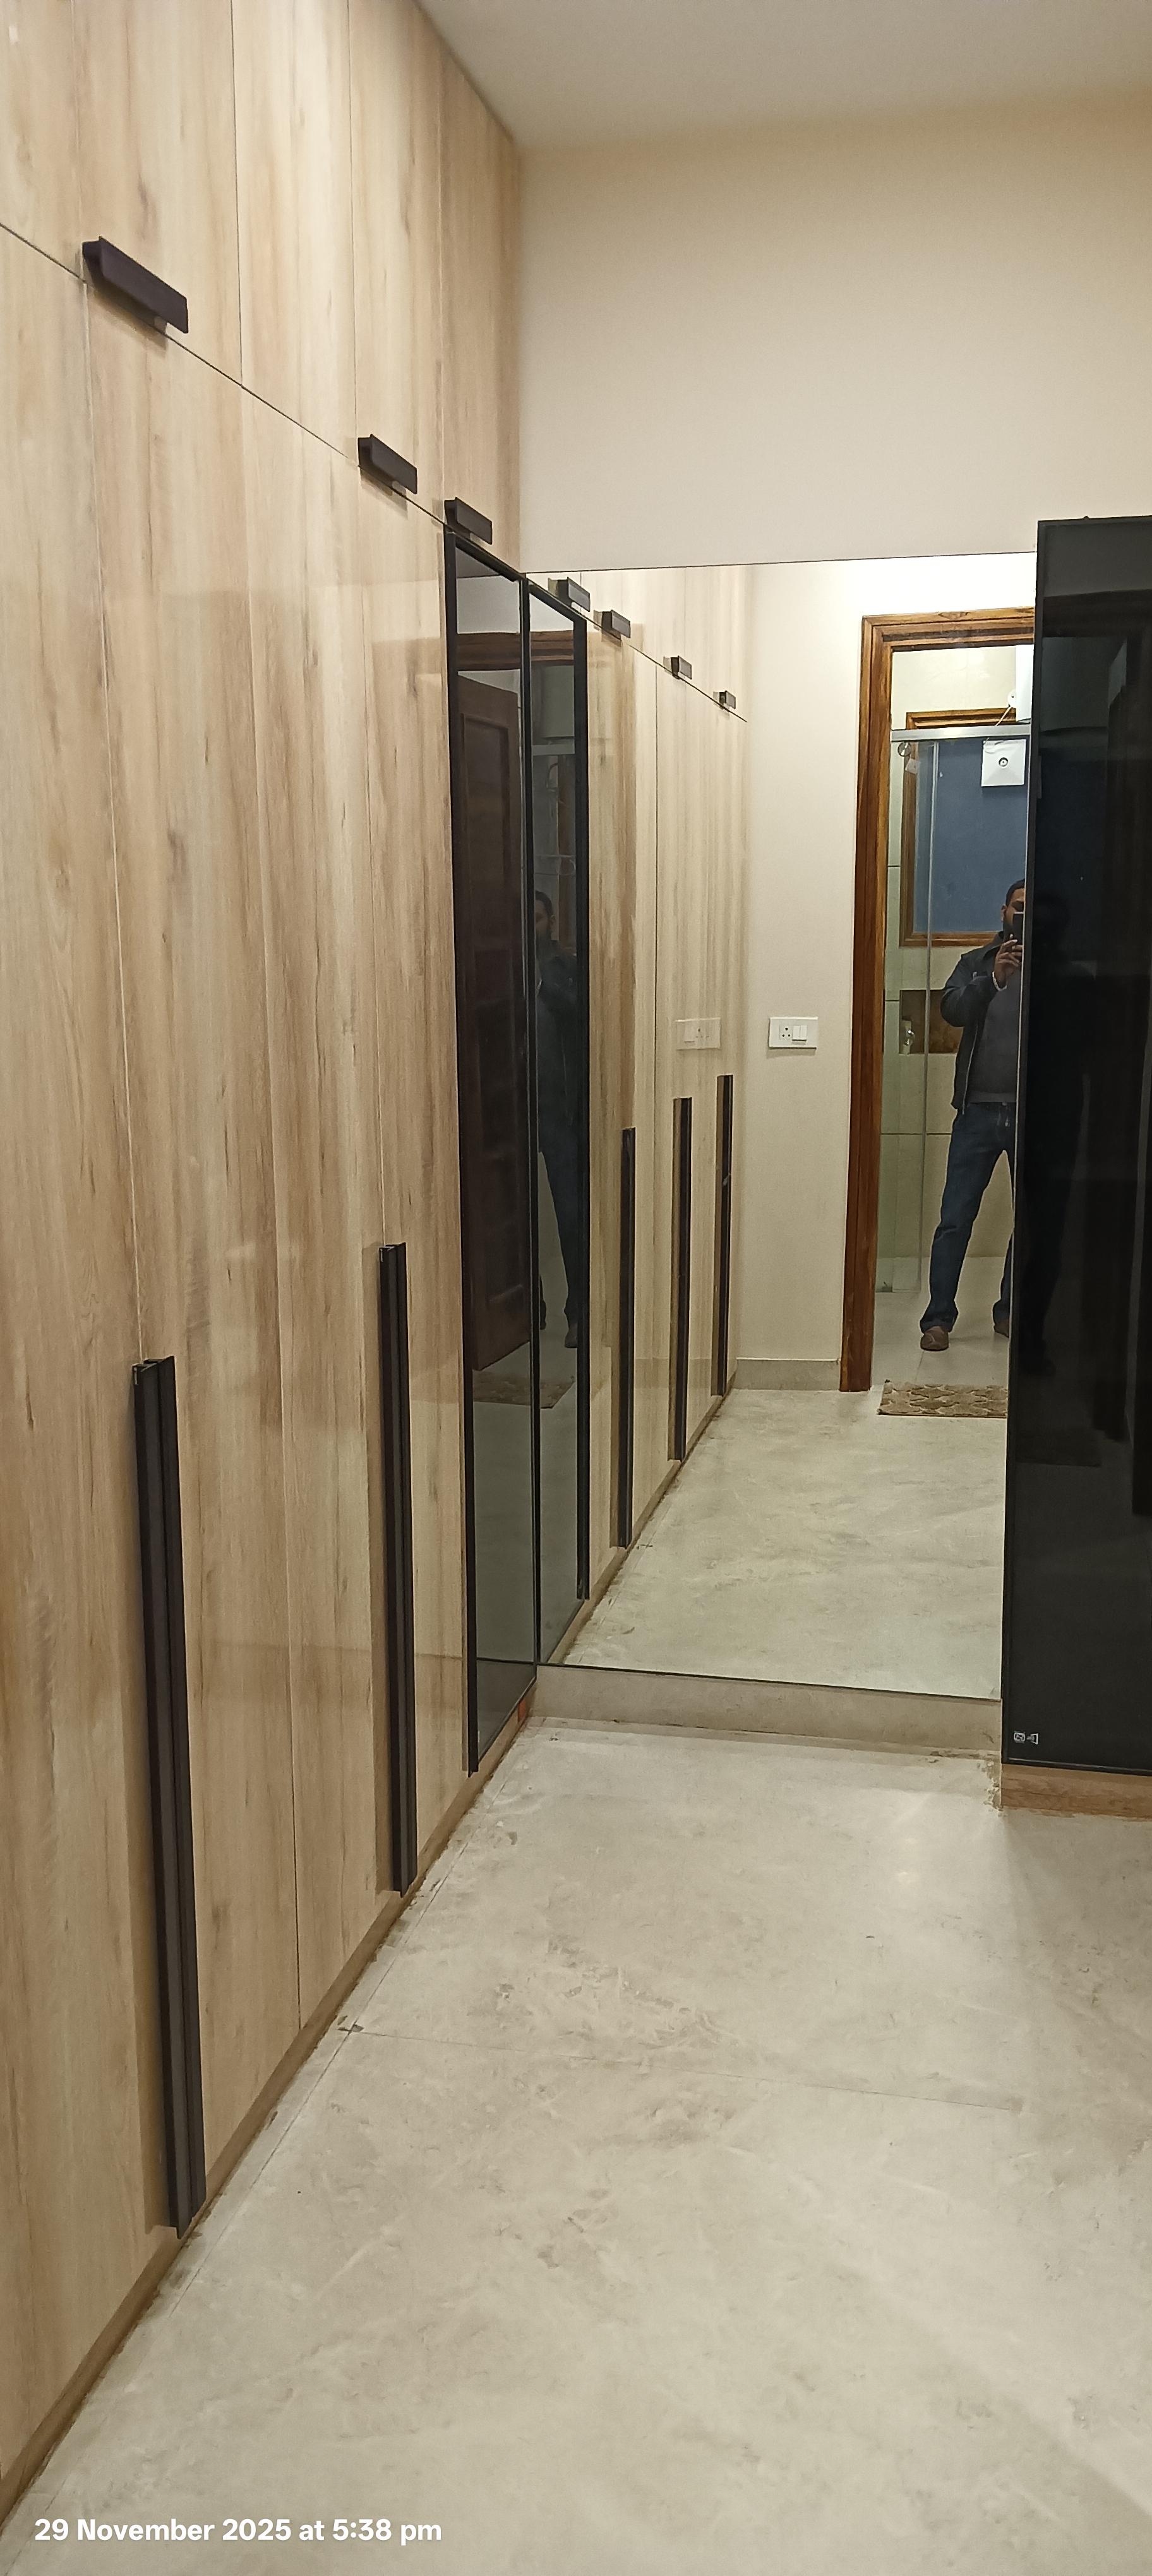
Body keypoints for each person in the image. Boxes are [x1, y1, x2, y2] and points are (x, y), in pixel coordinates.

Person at [919, 878, 1024, 1353]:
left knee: (1032, 1221)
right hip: (977, 1111)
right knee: (955, 1219)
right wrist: (994, 979)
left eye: (1033, 911)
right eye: (1018, 907)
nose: (1024, 917)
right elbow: (952, 1010)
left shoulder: (1055, 969)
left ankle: (1010, 1312)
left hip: (1032, 1115)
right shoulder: (976, 962)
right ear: (1003, 912)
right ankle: (938, 1319)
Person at [534, 891, 582, 1349]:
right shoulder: (492, 968)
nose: (530, 928)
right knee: (508, 1218)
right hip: (509, 1113)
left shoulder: (565, 968)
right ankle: (525, 1312)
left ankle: (577, 1313)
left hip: (559, 1111)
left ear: (550, 921)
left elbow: (580, 1020)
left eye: (537, 919)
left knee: (570, 1215)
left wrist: (549, 983)